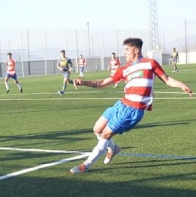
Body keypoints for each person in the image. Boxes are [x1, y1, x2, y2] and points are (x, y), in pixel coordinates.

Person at [70, 37, 192, 174]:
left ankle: (86, 165)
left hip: (133, 110)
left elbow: (167, 79)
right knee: (97, 129)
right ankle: (113, 148)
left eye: (127, 50)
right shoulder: (124, 69)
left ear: (136, 50)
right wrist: (83, 82)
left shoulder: (150, 63)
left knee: (105, 134)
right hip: (121, 104)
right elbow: (104, 82)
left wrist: (182, 85)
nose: (125, 53)